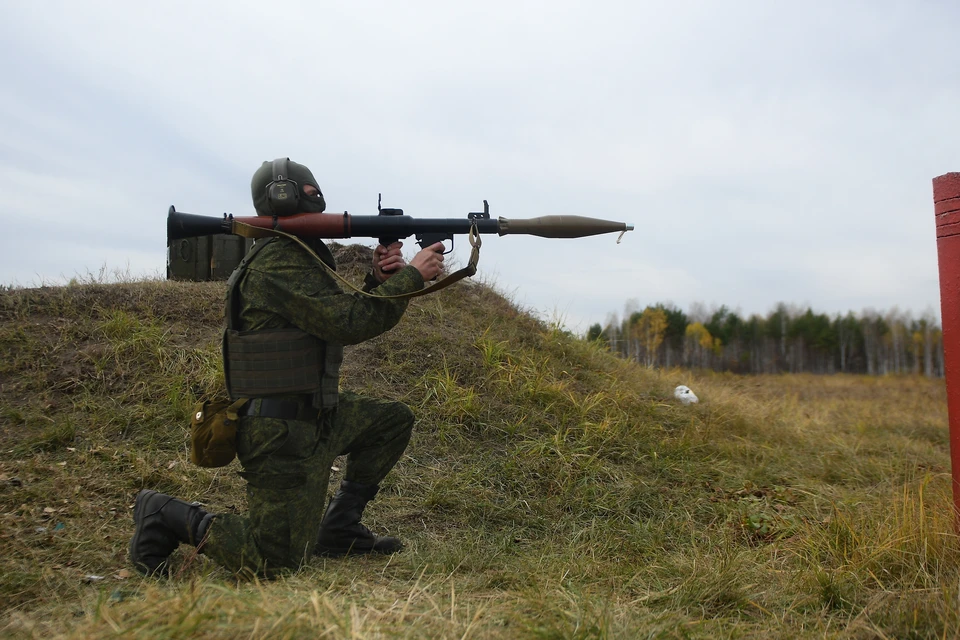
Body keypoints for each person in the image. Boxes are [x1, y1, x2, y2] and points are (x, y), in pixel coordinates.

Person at [130, 158, 444, 577]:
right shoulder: (280, 260)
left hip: (314, 414)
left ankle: (339, 527)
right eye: (310, 191)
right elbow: (350, 323)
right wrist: (412, 279)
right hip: (280, 432)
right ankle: (163, 514)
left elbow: (339, 316)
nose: (318, 197)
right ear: (286, 195)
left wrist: (378, 282)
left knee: (389, 422)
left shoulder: (296, 254)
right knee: (274, 561)